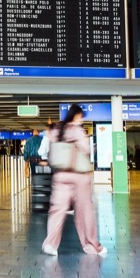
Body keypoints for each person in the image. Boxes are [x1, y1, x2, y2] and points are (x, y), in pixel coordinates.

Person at [41, 104, 105, 257]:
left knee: (57, 209)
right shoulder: (77, 129)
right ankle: (91, 246)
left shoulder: (56, 129)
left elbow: (47, 146)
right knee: (84, 211)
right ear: (78, 116)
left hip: (60, 175)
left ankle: (50, 244)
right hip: (79, 175)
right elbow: (85, 149)